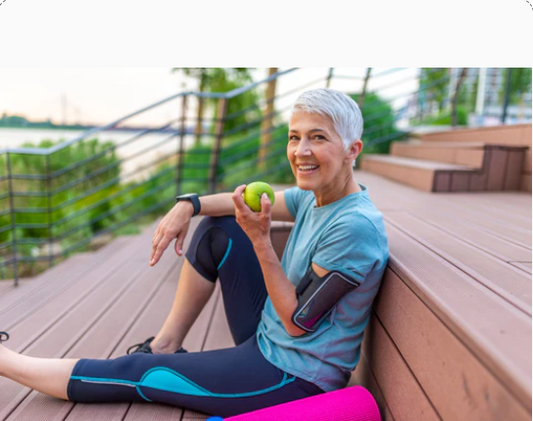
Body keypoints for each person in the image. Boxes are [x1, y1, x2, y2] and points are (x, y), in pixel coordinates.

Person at [0, 88, 389, 418]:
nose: (301, 150)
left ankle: (7, 363)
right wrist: (189, 204)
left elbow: (296, 324)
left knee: (141, 373)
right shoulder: (316, 196)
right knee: (218, 226)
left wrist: (260, 241)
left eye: (318, 138)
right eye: (294, 136)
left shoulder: (353, 228)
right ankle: (166, 343)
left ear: (353, 149)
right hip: (268, 337)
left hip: (293, 376)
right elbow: (235, 202)